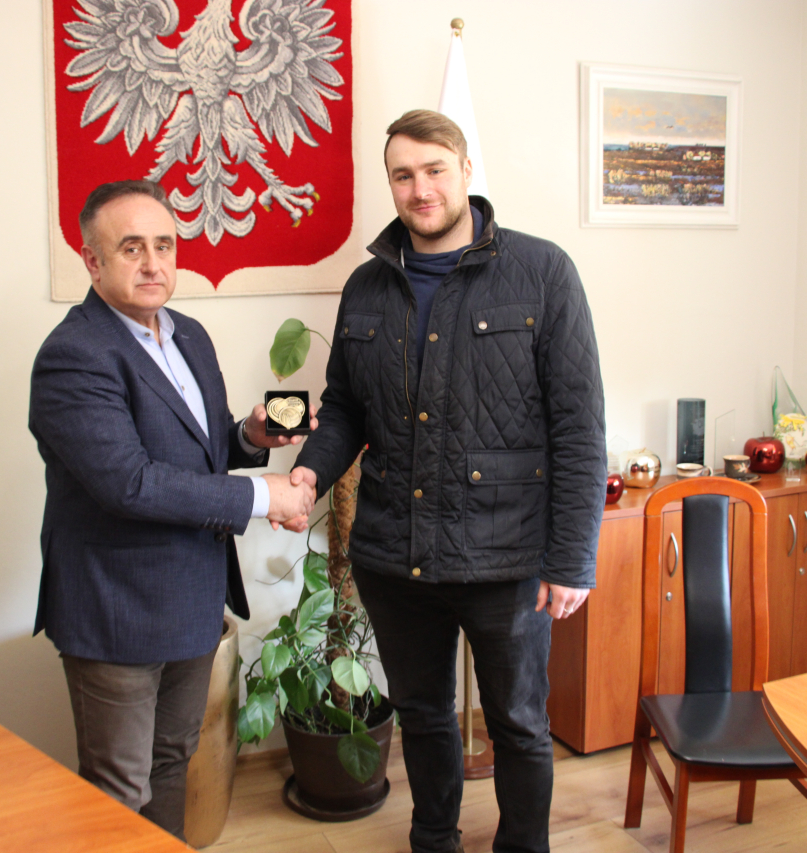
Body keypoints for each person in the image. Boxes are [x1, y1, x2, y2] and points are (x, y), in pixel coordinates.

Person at [289, 110, 606, 853]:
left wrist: (572, 558)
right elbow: (344, 407)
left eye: (434, 169)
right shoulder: (366, 287)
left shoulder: (543, 272)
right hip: (395, 559)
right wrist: (308, 471)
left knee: (519, 724)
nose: (420, 188)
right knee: (424, 718)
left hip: (508, 560)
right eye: (403, 175)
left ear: (466, 170)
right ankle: (433, 839)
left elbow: (580, 426)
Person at [29, 179, 316, 840]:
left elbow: (195, 449)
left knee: (171, 761)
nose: (153, 263)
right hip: (117, 608)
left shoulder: (188, 334)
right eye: (131, 248)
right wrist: (263, 494)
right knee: (118, 786)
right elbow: (130, 482)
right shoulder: (73, 355)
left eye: (164, 245)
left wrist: (249, 436)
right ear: (92, 260)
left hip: (192, 599)